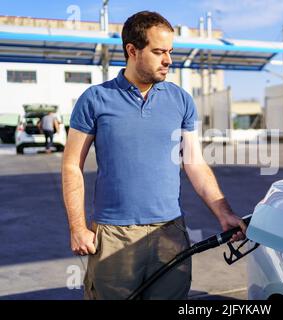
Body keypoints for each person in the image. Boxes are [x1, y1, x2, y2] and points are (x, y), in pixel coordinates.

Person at [61, 11, 246, 300]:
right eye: (159, 52)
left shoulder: (181, 99)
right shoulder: (95, 100)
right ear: (132, 51)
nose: (168, 60)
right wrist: (78, 227)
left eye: (170, 51)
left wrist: (224, 213)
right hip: (113, 236)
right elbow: (72, 165)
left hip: (170, 232)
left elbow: (195, 163)